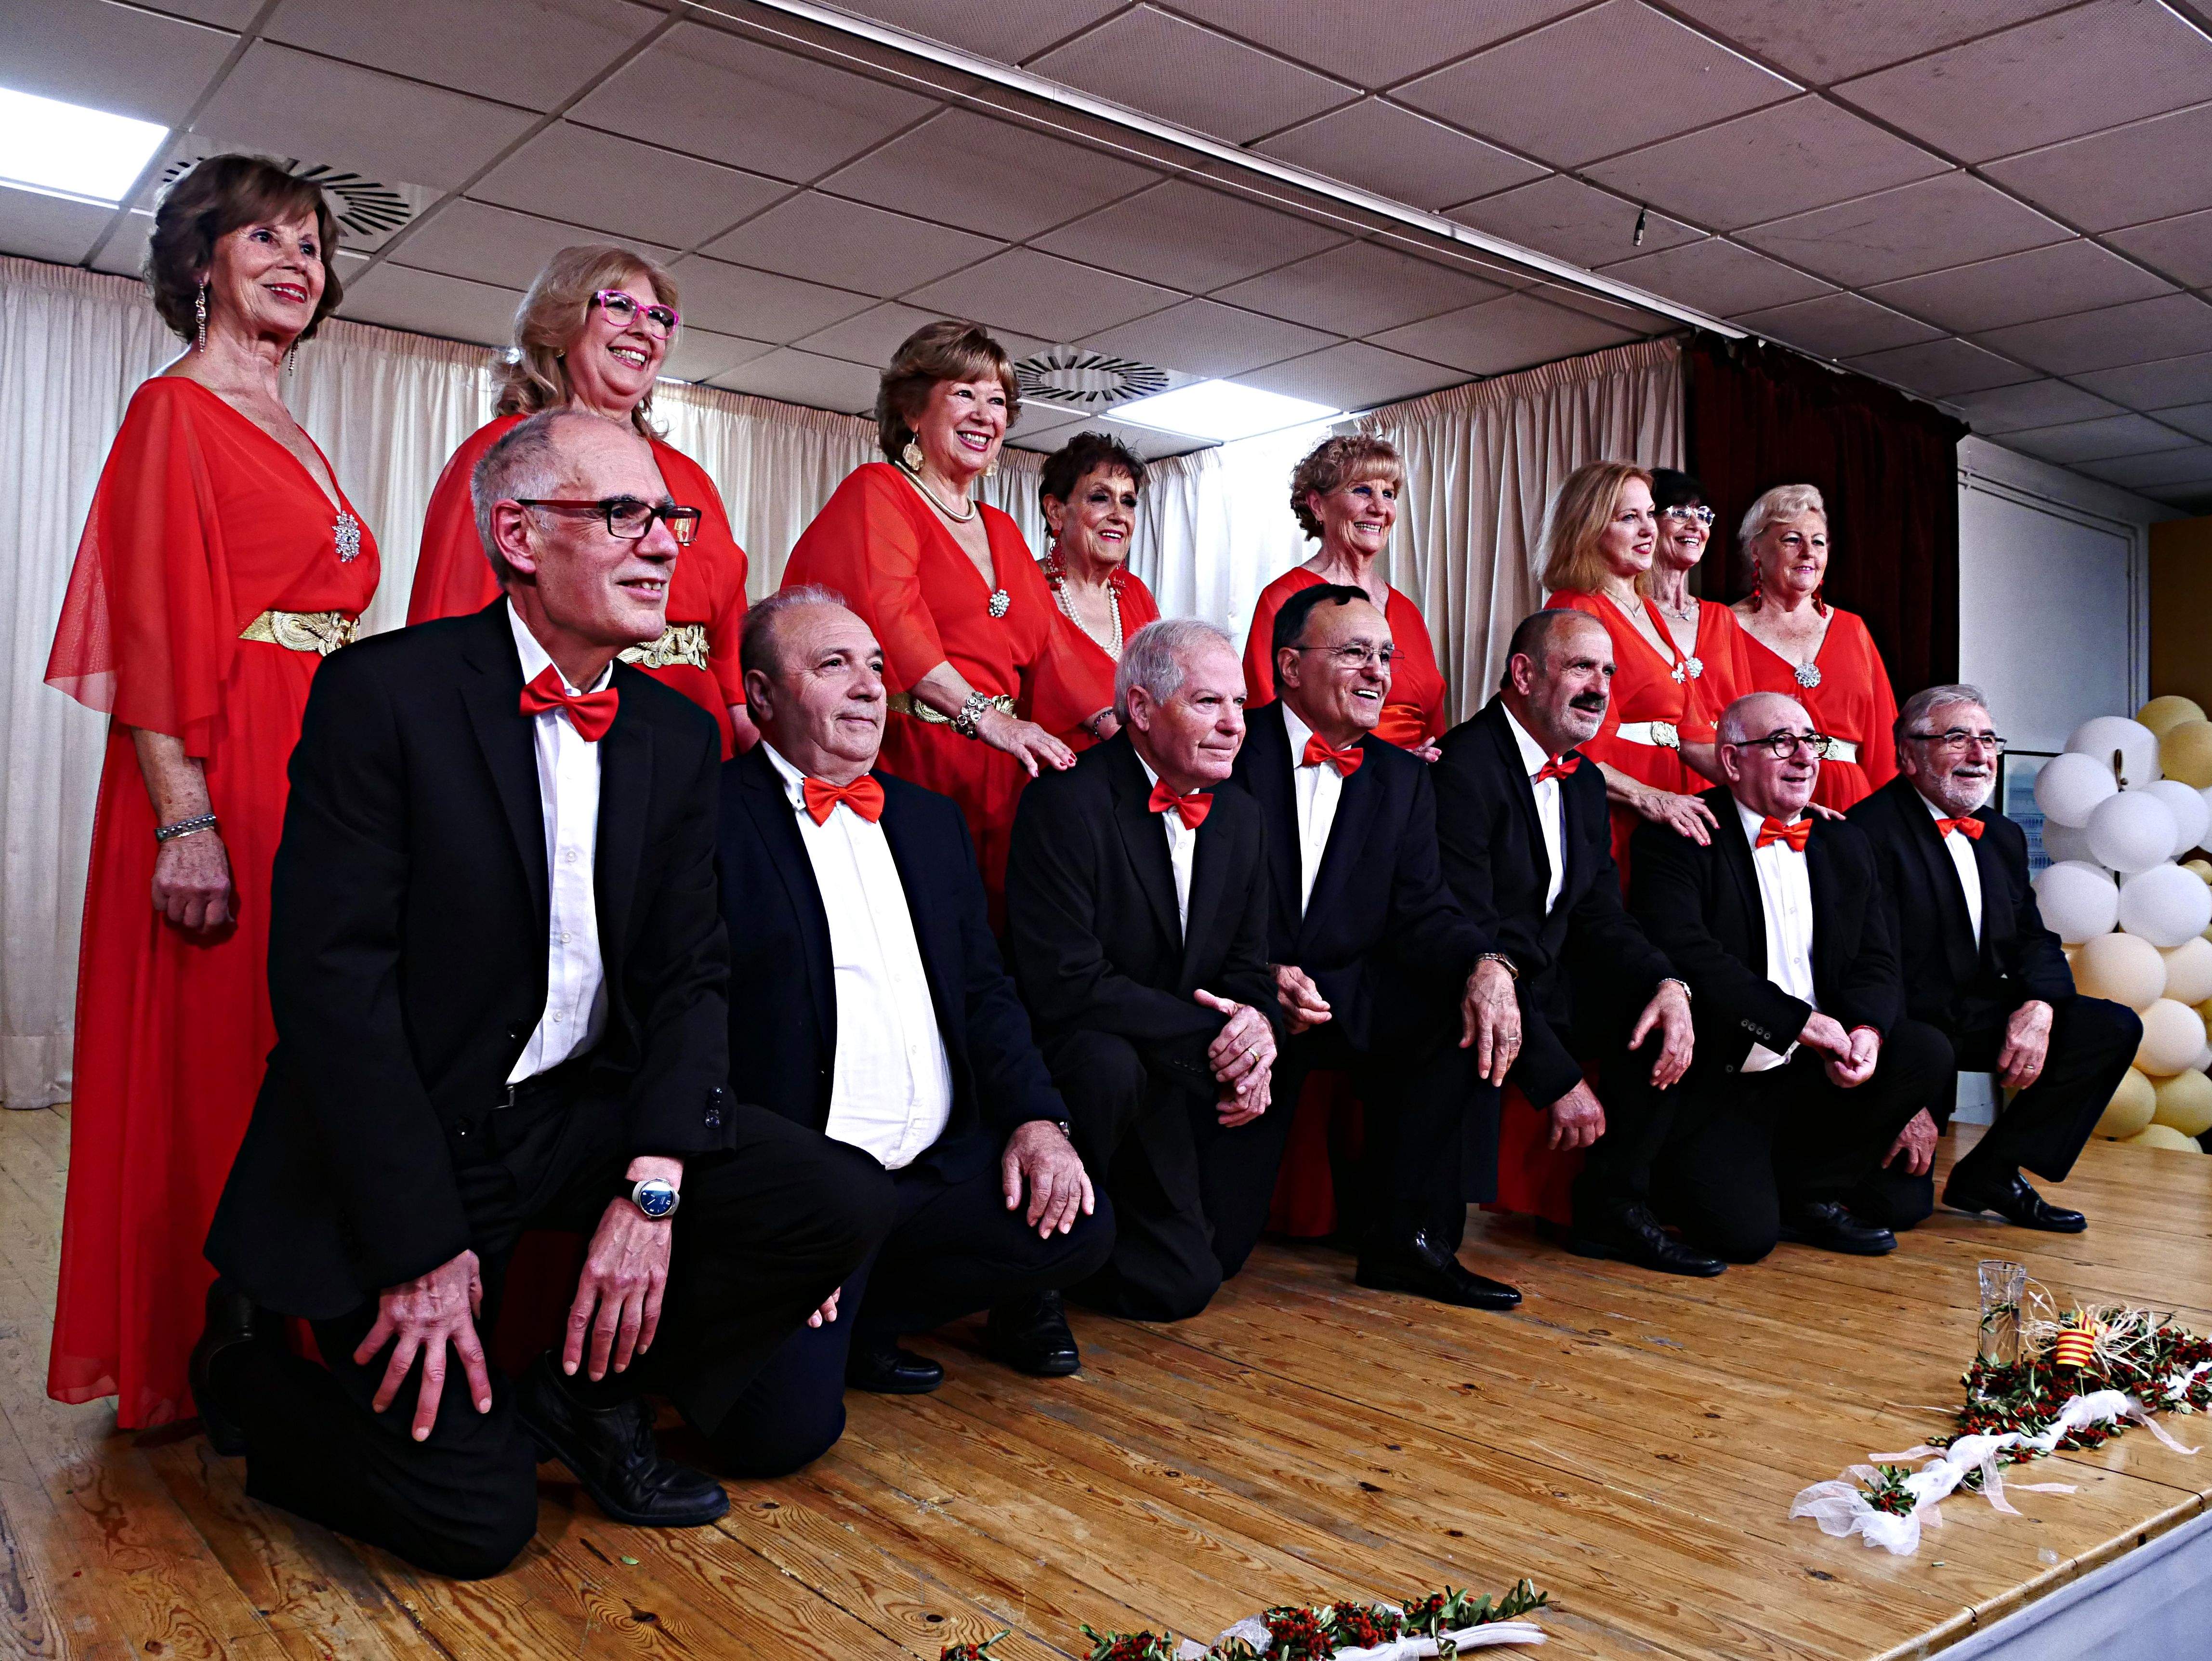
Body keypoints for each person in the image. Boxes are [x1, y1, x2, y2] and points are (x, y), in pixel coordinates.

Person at [191, 410, 886, 1580]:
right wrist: (421, 1246)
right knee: (476, 1526)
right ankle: (250, 1371)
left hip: (573, 1111)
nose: (663, 542)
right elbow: (331, 991)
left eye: (668, 516)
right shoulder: (383, 694)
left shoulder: (668, 731)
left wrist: (655, 1183)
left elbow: (688, 976)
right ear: (516, 533)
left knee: (837, 1198)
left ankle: (585, 1399)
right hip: (415, 1129)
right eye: (622, 513)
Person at [44, 155, 381, 1431]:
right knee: (217, 1053)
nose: (298, 261)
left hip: (320, 758)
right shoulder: (170, 413)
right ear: (200, 265)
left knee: (308, 1042)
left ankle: (295, 1315)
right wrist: (184, 816)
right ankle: (206, 1343)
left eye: (311, 244)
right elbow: (148, 632)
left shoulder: (295, 425)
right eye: (266, 240)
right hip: (224, 757)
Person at [707, 588, 1113, 1476]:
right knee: (777, 1440)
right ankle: (813, 1302)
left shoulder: (926, 821)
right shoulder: (709, 817)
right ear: (762, 696)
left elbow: (985, 990)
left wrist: (1039, 1119)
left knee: (1076, 1225)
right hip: (805, 1187)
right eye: (832, 666)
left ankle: (871, 1313)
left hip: (926, 1173)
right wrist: (778, 1216)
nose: (866, 688)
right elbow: (692, 1034)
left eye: (875, 668)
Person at [1222, 584, 1519, 1308]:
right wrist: (1261, 975)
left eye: (1385, 656)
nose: (1378, 673)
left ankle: (1406, 1242)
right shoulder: (1228, 745)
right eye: (1355, 653)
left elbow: (1424, 911)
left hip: (1344, 994)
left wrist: (1489, 963)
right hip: (1234, 994)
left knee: (1459, 1007)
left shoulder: (1403, 777)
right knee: (1205, 1262)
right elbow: (1186, 897)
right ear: (1290, 668)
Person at [1004, 620, 1281, 1320]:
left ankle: (1087, 1250)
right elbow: (1066, 982)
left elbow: (1248, 970)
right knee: (1106, 1063)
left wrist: (1256, 1036)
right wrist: (1212, 1034)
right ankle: (1025, 1283)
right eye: (1207, 704)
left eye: (1239, 706)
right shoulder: (1066, 801)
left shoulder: (1242, 818)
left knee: (1183, 1287)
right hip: (1075, 1060)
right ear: (1142, 709)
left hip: (1170, 1069)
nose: (1233, 726)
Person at [1431, 610, 1708, 1273]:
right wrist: (1558, 1079)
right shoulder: (1463, 767)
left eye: (1608, 671)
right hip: (1467, 985)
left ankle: (1613, 1209)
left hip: (1548, 982)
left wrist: (1669, 985)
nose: (1600, 686)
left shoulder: (1581, 779)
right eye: (1582, 667)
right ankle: (1424, 1234)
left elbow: (1601, 919)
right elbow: (1468, 934)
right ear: (1524, 674)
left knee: (1660, 1011)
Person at [1630, 691, 1950, 1263]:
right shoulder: (1681, 835)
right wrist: (1796, 1023)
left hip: (1815, 1075)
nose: (1804, 757)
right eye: (1782, 743)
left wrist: (1865, 1033)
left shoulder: (1843, 840)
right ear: (1731, 761)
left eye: (1811, 742)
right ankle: (1728, 1182)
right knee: (1742, 1239)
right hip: (1731, 1071)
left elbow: (1878, 960)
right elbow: (1692, 956)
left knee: (1923, 1052)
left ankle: (1811, 1194)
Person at [406, 244, 757, 758]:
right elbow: (452, 621)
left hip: (694, 736)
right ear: (562, 323)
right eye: (619, 306)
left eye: (659, 318)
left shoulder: (692, 477)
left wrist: (748, 735)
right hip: (559, 726)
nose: (643, 328)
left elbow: (726, 642)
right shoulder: (503, 450)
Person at [782, 320, 1072, 903]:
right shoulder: (879, 491)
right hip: (913, 758)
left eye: (997, 401)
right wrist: (986, 720)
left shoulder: (1004, 530)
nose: (984, 414)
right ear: (914, 412)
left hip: (1003, 774)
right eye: (963, 393)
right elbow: (895, 626)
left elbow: (1052, 654)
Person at [1848, 685, 2141, 1233]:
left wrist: (2039, 1006)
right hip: (1908, 1033)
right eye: (1956, 738)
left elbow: (2033, 938)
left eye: (1987, 740)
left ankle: (1991, 1170)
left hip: (1978, 1012)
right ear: (1906, 754)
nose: (1979, 755)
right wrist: (1902, 1098)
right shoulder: (1864, 832)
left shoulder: (2001, 835)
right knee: (1897, 1212)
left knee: (2108, 1026)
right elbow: (1860, 974)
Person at [1540, 461, 1741, 874]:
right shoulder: (1575, 607)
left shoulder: (1648, 609)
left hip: (1669, 801)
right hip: (1614, 804)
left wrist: (1762, 786)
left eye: (1650, 514)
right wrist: (1648, 796)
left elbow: (1693, 735)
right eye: (1629, 518)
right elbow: (1569, 744)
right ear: (1589, 526)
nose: (1650, 529)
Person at [1242, 435, 1448, 757]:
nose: (1380, 508)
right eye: (1362, 490)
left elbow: (1435, 724)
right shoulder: (1283, 598)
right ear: (1317, 505)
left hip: (1416, 792)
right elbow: (1264, 722)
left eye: (1388, 494)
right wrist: (1387, 766)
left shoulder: (1406, 611)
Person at [1732, 484, 1897, 811]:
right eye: (1792, 540)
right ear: (1756, 551)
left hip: (1852, 805)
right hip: (1763, 801)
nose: (1808, 551)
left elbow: (1884, 746)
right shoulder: (1723, 627)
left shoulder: (1854, 630)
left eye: (1818, 542)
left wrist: (1888, 823)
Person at [1028, 431, 1161, 751]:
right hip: (1047, 779)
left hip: (1134, 779)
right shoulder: (1027, 584)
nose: (1119, 515)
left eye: (1128, 502)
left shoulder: (1136, 593)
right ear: (1056, 512)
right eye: (1100, 498)